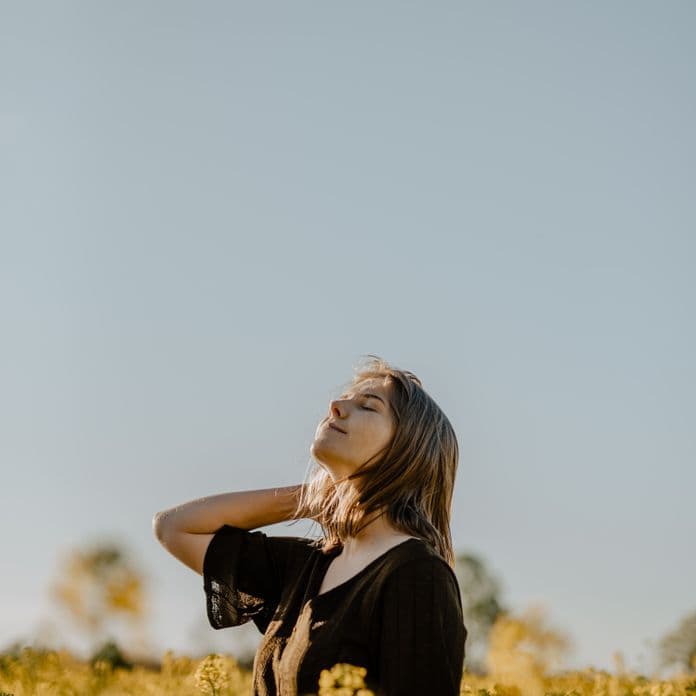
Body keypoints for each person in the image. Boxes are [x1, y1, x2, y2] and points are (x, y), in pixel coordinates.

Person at [153, 354, 467, 695]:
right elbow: (174, 527)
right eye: (343, 399)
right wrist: (312, 498)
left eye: (368, 406)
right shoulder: (305, 566)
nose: (335, 406)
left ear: (408, 449)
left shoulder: (418, 574)